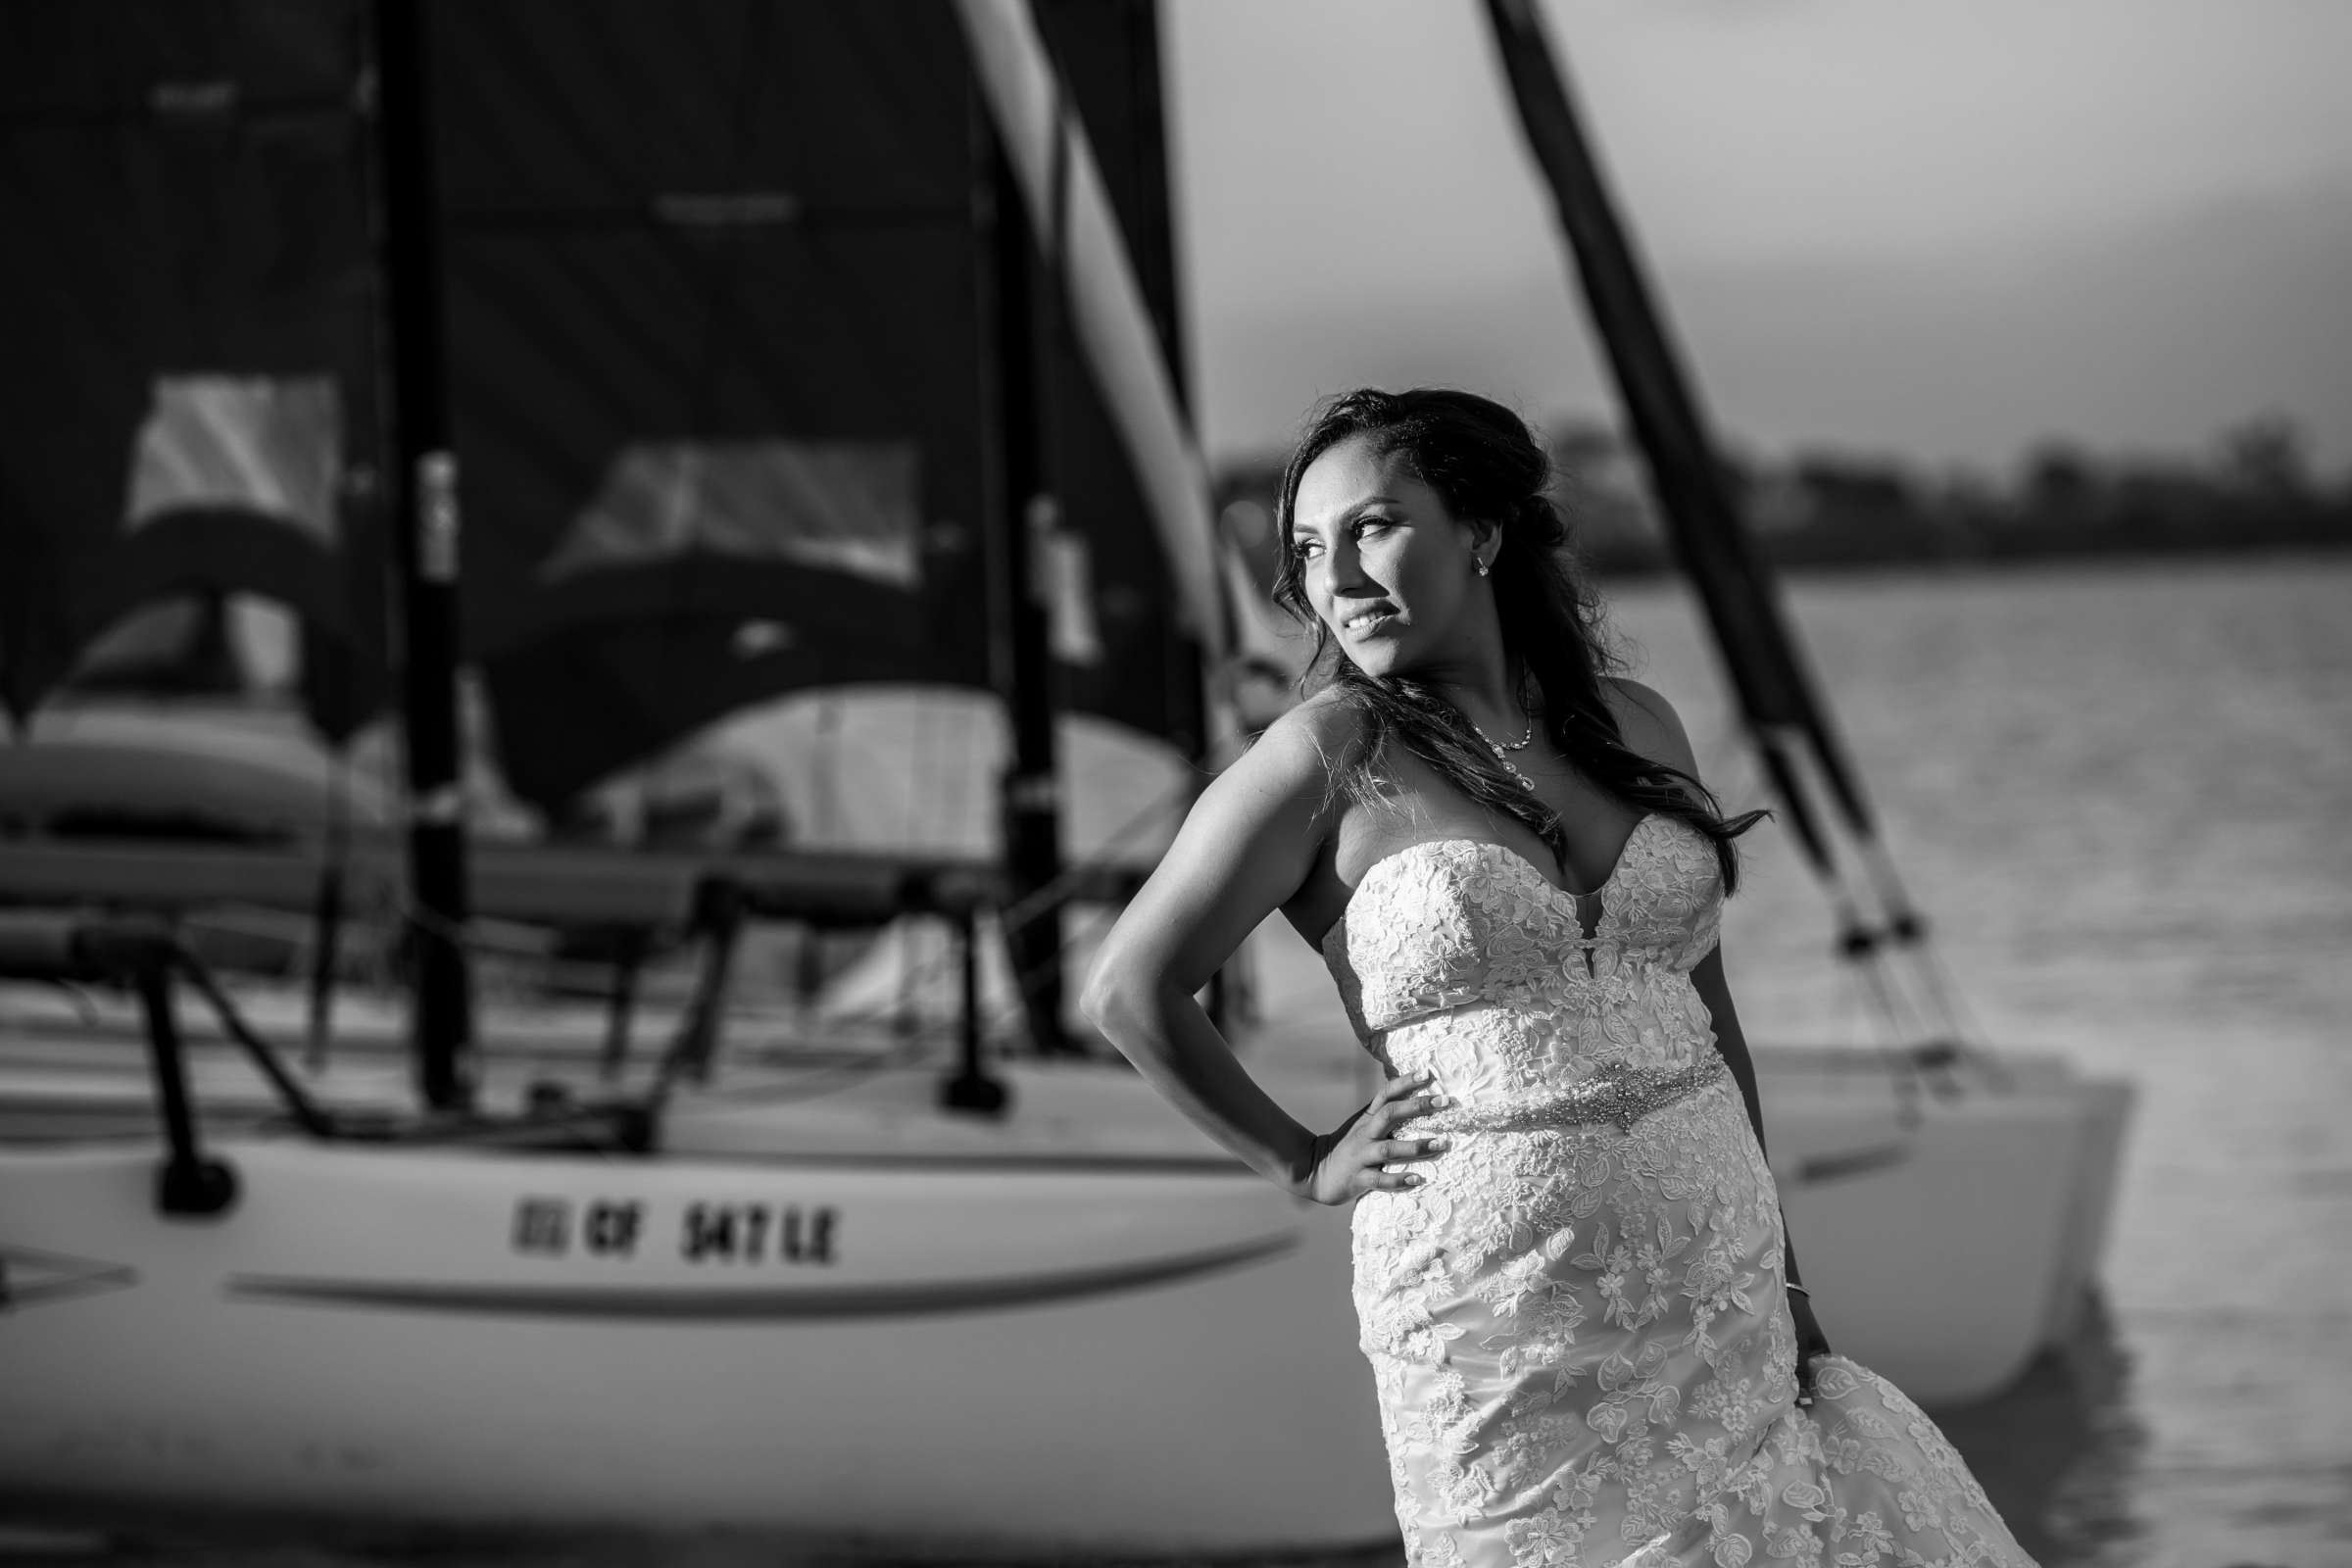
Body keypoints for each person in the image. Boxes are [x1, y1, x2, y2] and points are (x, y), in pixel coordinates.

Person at [1081, 388, 2035, 1567]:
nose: (1337, 576)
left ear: (1482, 533)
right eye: (1307, 551)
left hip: (1716, 1278)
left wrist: (1785, 1277)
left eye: (1372, 526)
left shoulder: (1635, 724)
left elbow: (1710, 1012)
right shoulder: (1331, 755)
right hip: (1495, 1323)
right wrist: (1302, 1157)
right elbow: (1130, 988)